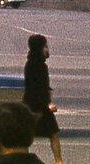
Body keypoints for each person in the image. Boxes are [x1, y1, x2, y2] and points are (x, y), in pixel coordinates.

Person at [23, 34, 62, 164]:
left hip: (34, 104)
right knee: (50, 133)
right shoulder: (38, 66)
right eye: (45, 46)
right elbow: (36, 88)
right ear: (39, 48)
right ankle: (58, 161)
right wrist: (48, 103)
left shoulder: (32, 64)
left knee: (30, 135)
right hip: (36, 106)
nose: (47, 49)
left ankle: (59, 161)